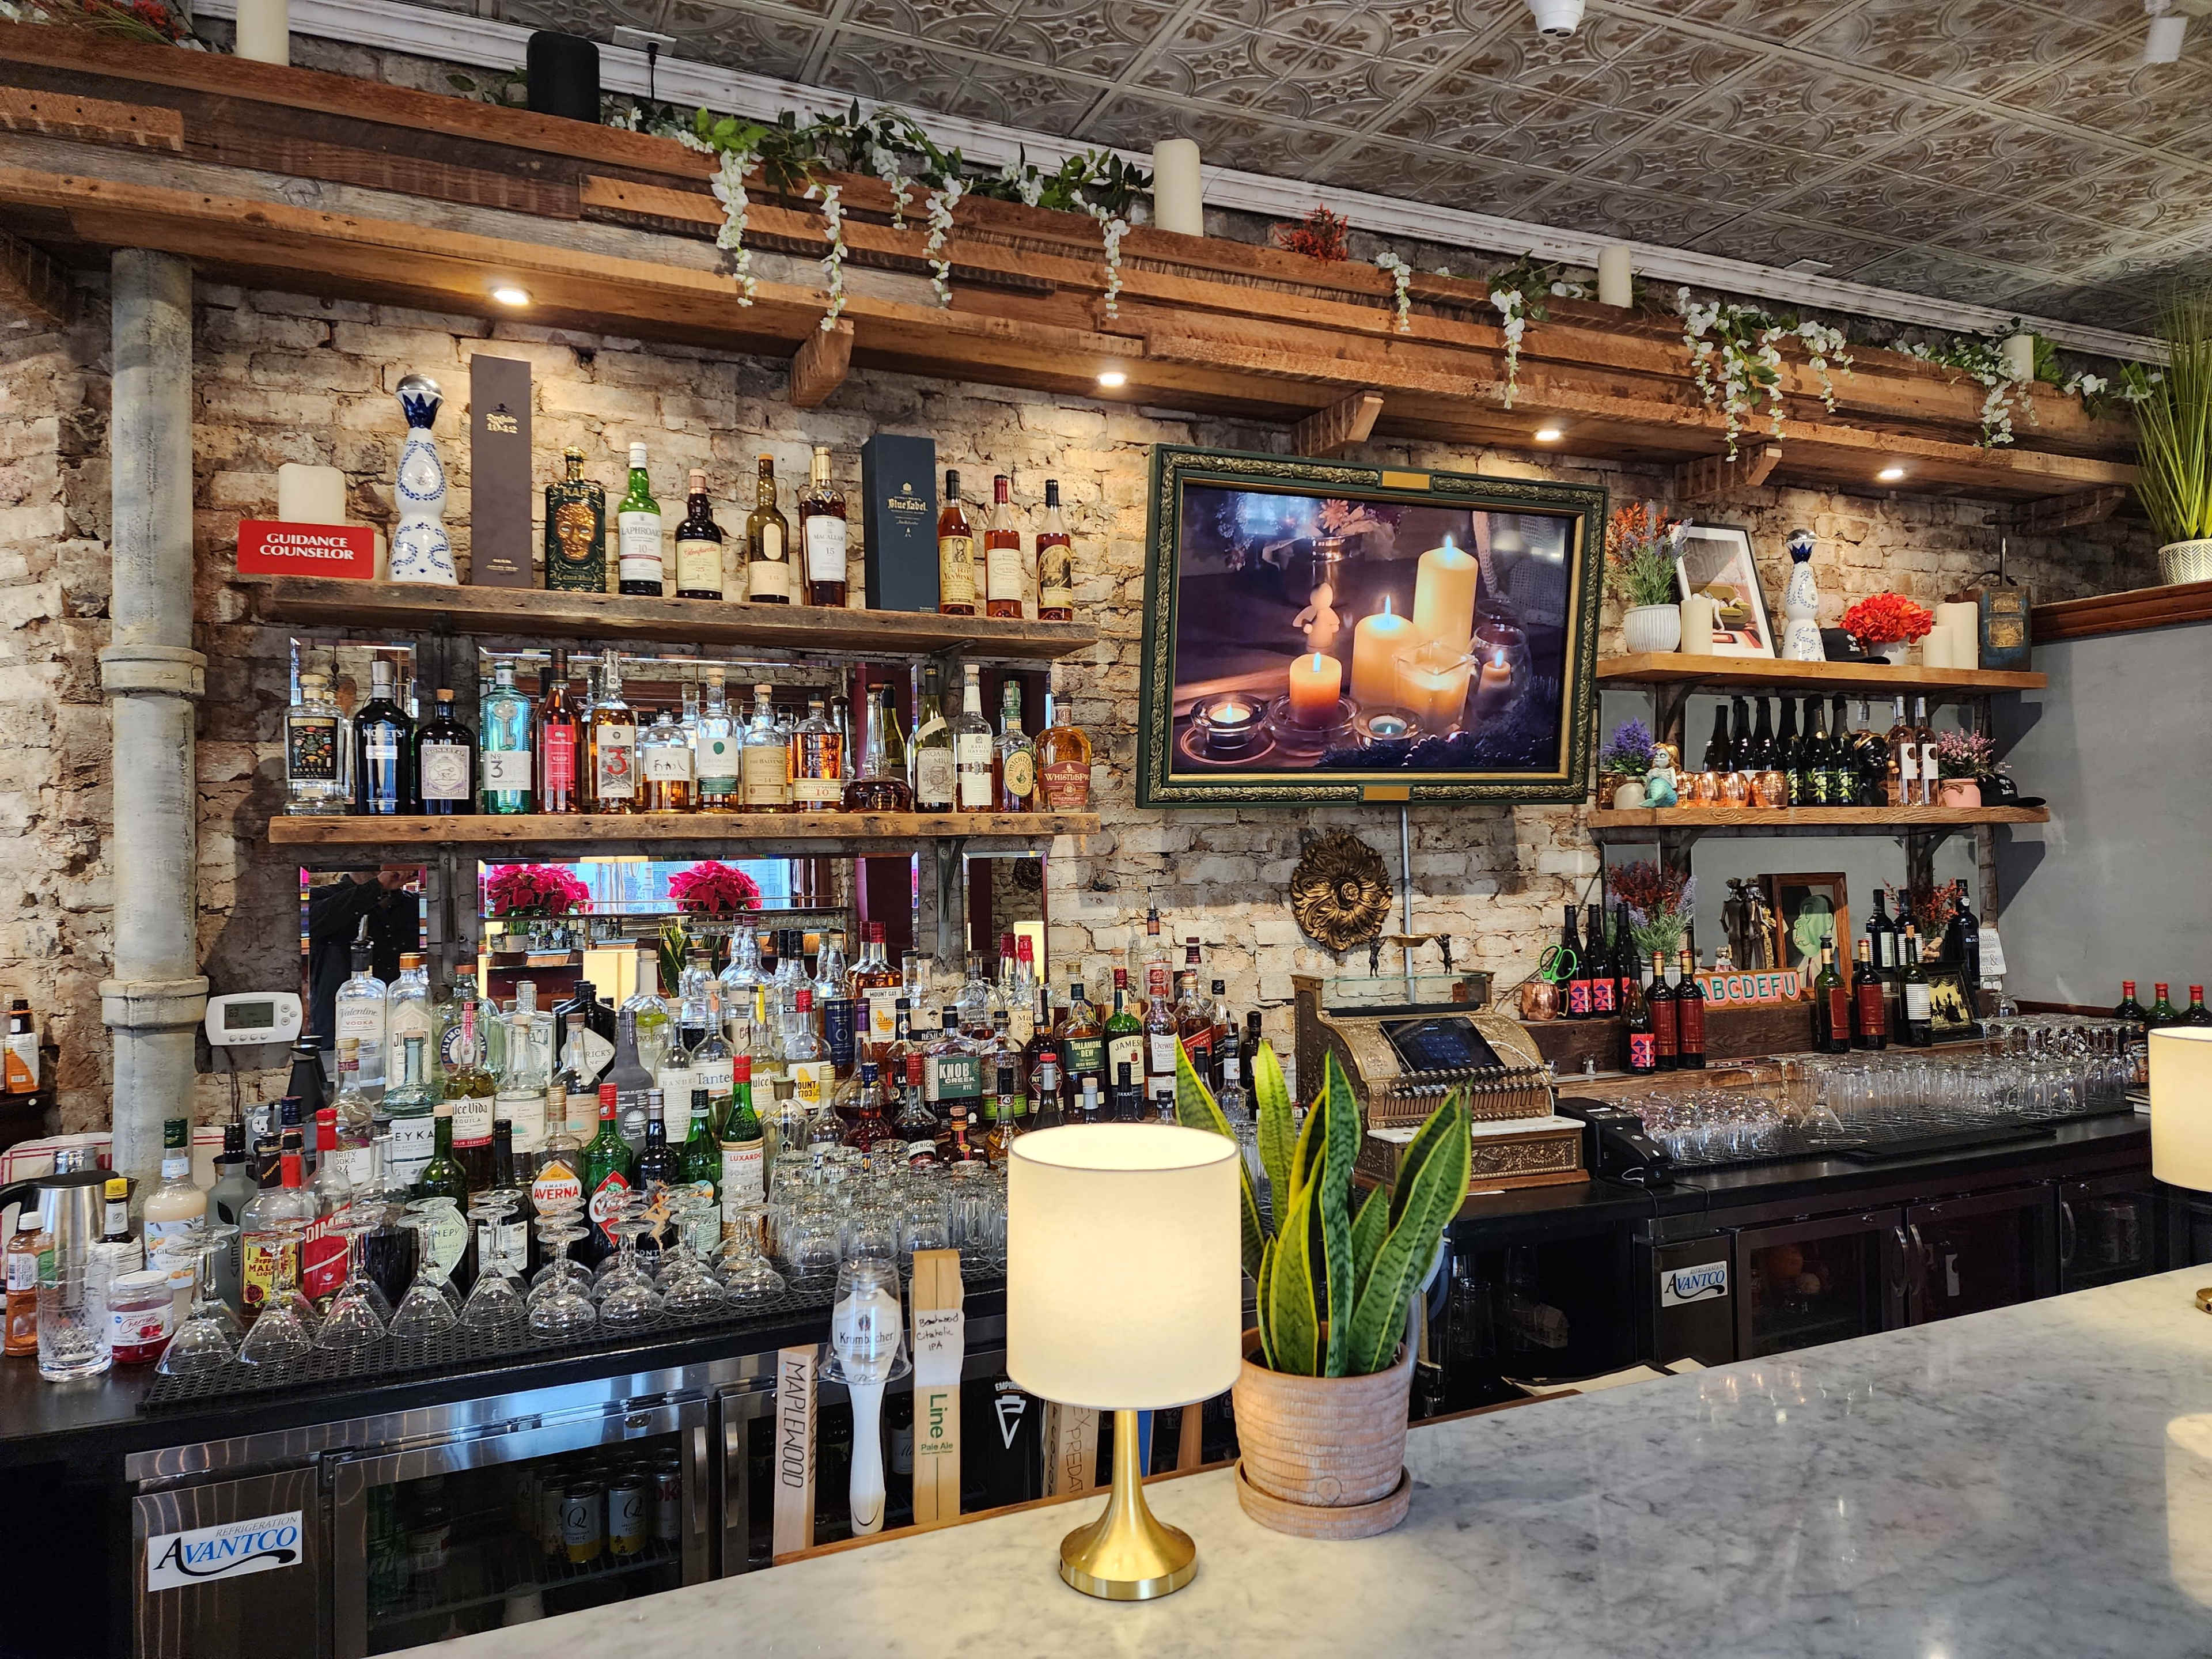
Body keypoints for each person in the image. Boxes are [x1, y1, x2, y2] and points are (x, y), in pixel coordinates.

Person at [306, 867, 418, 1046]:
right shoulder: (321, 897)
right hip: (339, 1028)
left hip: (401, 1024)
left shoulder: (411, 904)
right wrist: (377, 887)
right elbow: (313, 924)